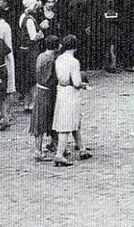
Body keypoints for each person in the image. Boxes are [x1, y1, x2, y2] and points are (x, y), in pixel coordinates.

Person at [51, 34, 91, 167]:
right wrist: (84, 84)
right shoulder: (74, 62)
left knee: (73, 121)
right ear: (75, 47)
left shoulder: (59, 59)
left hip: (61, 90)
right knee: (67, 124)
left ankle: (82, 149)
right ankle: (59, 154)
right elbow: (76, 82)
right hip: (71, 93)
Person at [29, 35, 59, 162]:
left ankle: (52, 144)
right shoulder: (52, 59)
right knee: (46, 119)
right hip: (48, 92)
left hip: (40, 90)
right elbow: (50, 79)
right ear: (56, 46)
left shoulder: (41, 56)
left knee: (44, 118)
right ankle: (38, 151)